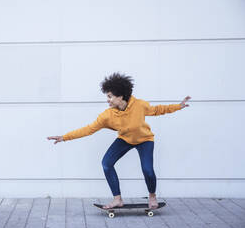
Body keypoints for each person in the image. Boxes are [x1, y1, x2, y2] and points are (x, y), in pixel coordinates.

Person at [47, 73, 191, 209]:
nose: (107, 100)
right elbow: (89, 129)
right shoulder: (107, 116)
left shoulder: (139, 105)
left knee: (147, 169)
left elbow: (158, 109)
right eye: (107, 96)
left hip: (145, 140)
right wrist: (64, 137)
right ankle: (117, 199)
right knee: (106, 163)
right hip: (125, 139)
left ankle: (152, 196)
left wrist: (178, 106)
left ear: (120, 96)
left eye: (110, 96)